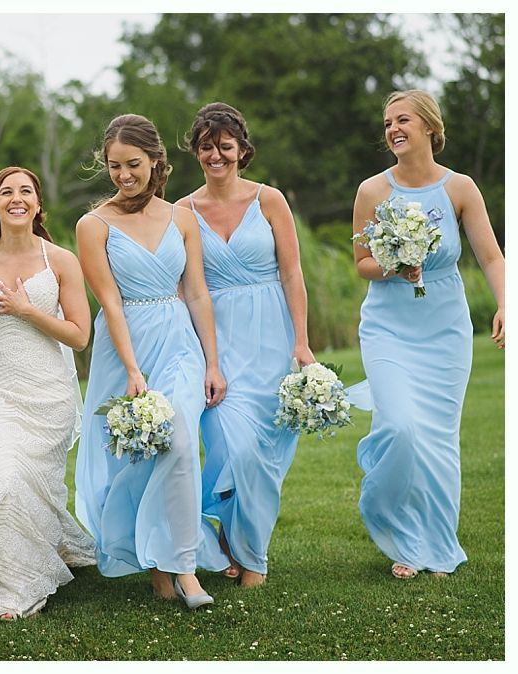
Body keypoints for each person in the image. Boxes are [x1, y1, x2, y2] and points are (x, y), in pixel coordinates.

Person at [74, 114, 229, 609]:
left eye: (133, 164)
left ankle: (184, 568)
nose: (123, 175)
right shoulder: (92, 225)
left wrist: (212, 361)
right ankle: (153, 563)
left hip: (180, 341)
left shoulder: (182, 217)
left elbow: (198, 293)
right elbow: (110, 303)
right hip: (125, 348)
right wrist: (134, 370)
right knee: (137, 458)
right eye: (115, 166)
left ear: (156, 162)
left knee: (179, 442)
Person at [351, 89, 504, 579]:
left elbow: (492, 257)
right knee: (398, 426)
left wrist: (506, 305)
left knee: (438, 438)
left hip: (445, 327)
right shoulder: (371, 192)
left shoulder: (460, 188)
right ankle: (394, 522)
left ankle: (433, 547)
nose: (393, 128)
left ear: (430, 129)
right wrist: (395, 265)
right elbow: (361, 264)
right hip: (388, 326)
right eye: (388, 122)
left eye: (403, 120)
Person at [0, 166, 96, 621]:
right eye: (6, 192)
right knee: (5, 476)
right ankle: (13, 587)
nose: (16, 198)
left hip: (48, 392)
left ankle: (33, 551)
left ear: (38, 204)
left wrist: (26, 310)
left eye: (25, 191)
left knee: (34, 485)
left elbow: (79, 336)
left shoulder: (62, 261)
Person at [176, 102, 314, 588]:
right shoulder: (182, 211)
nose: (216, 156)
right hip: (217, 341)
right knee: (229, 444)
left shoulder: (270, 200)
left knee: (263, 452)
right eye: (206, 147)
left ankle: (243, 545)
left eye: (225, 147)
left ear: (242, 150)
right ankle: (246, 553)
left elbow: (292, 272)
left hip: (272, 336)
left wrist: (301, 341)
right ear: (196, 152)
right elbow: (183, 286)